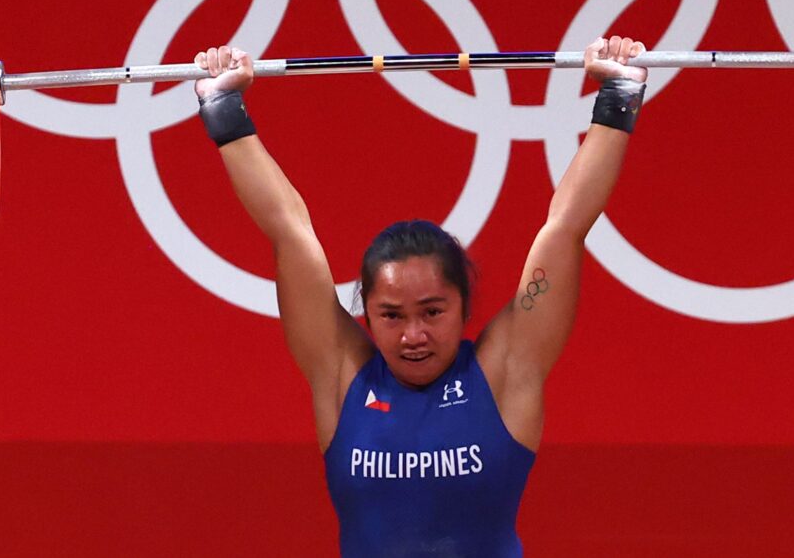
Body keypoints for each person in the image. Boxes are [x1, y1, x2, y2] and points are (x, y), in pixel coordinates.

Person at [194, 36, 648, 557]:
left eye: (433, 311)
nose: (414, 335)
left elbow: (565, 227)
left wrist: (617, 97)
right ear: (366, 311)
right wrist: (224, 108)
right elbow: (288, 230)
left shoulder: (504, 372)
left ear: (463, 306)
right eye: (391, 315)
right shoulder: (341, 372)